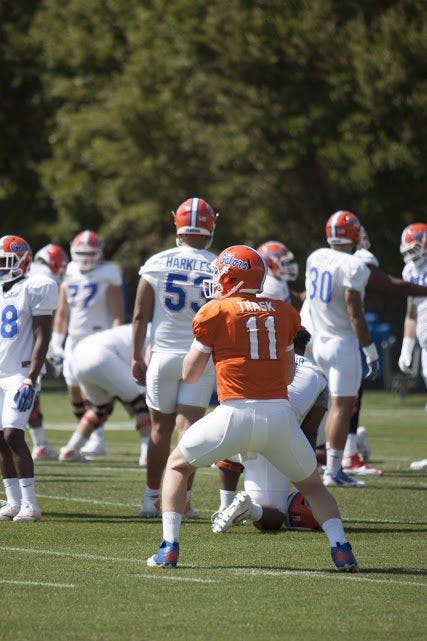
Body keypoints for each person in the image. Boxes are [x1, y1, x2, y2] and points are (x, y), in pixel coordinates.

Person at [147, 244, 358, 572]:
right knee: (314, 487)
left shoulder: (215, 312)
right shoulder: (284, 312)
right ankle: (341, 549)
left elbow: (190, 373)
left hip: (234, 415)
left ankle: (169, 548)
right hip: (280, 418)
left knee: (176, 466)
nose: (215, 281)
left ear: (231, 277)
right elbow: (288, 374)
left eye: (219, 275)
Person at [132, 197, 218, 518]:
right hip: (200, 356)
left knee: (159, 430)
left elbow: (140, 315)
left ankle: (151, 498)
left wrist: (136, 356)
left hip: (164, 355)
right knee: (189, 430)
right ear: (211, 225)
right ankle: (182, 501)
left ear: (176, 222)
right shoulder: (218, 264)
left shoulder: (157, 261)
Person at [211, 327, 328, 533]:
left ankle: (225, 503)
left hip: (232, 429)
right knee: (272, 519)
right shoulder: (317, 374)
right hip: (271, 437)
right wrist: (302, 472)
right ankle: (250, 510)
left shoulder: (260, 360)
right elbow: (309, 432)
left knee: (228, 431)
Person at [304, 211, 381, 489]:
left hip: (318, 340)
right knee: (341, 408)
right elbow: (355, 312)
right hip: (342, 342)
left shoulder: (315, 256)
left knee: (314, 405)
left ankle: (305, 463)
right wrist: (369, 348)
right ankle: (334, 470)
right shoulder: (354, 265)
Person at [48, 230, 125, 456]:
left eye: (90, 253)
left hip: (97, 338)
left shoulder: (108, 273)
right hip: (73, 338)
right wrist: (56, 342)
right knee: (73, 389)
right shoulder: (69, 270)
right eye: (81, 252)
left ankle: (96, 438)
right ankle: (89, 434)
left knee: (89, 389)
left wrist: (117, 339)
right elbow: (62, 312)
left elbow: (117, 312)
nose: (85, 257)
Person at [0, 235, 58, 522]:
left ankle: (31, 504)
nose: (1, 267)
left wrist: (31, 377)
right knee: (1, 438)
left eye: (6, 262)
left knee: (13, 434)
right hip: (1, 371)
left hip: (20, 374)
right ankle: (12, 502)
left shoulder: (36, 287)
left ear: (23, 261)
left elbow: (42, 336)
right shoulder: (2, 290)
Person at [58, 324, 151, 463]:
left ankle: (70, 449)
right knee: (142, 403)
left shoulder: (141, 328)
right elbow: (149, 362)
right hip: (101, 355)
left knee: (100, 409)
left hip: (78, 356)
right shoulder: (156, 330)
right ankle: (147, 455)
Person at [27, 243, 68, 460]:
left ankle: (40, 443)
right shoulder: (46, 281)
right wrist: (52, 347)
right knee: (27, 392)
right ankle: (39, 444)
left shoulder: (25, 271)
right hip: (25, 345)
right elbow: (44, 320)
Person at [398, 223, 427, 408]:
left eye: (414, 248)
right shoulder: (409, 270)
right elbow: (412, 312)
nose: (410, 254)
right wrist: (406, 348)